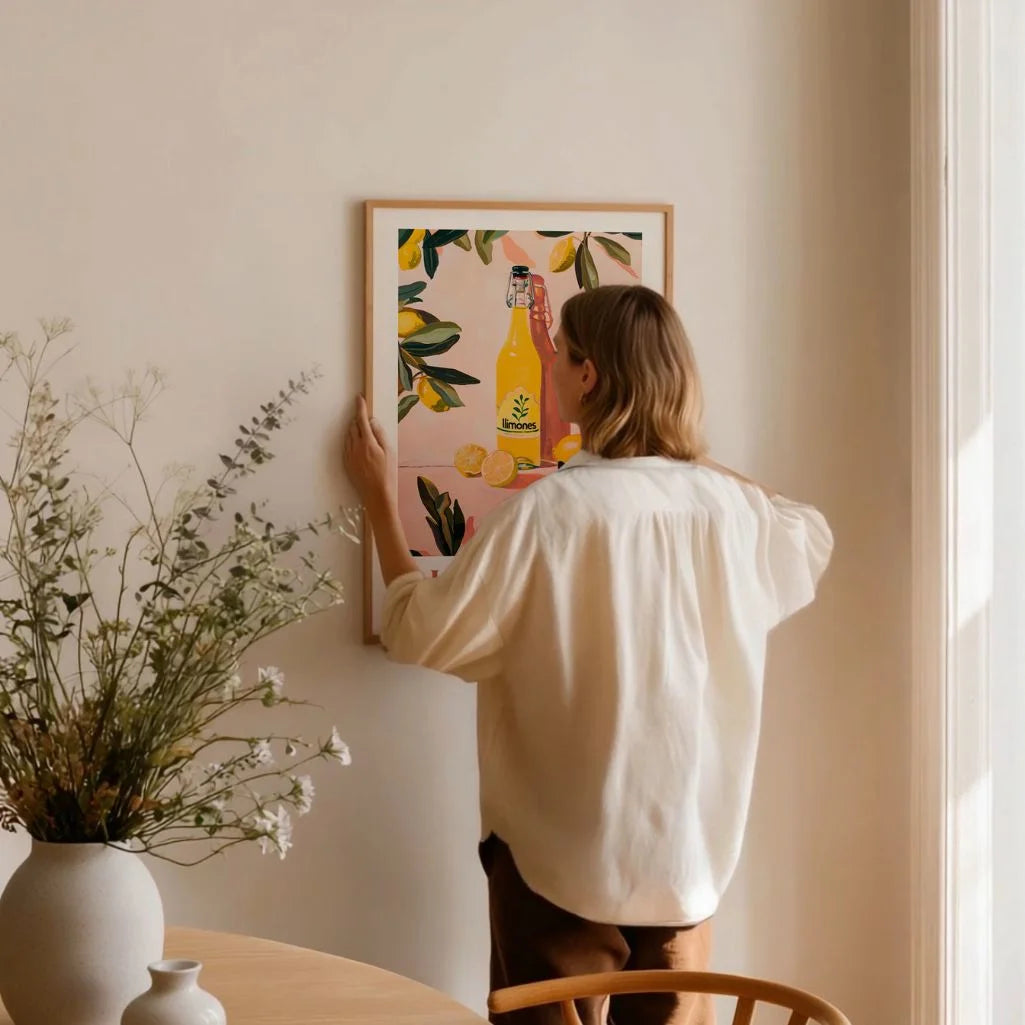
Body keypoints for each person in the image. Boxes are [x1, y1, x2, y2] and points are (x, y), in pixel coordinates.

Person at [344, 284, 833, 1025]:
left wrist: (380, 500)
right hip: (685, 867)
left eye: (559, 352)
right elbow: (808, 530)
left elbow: (420, 630)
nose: (547, 364)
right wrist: (687, 459)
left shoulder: (548, 514)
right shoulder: (735, 514)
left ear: (588, 375)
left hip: (555, 866)